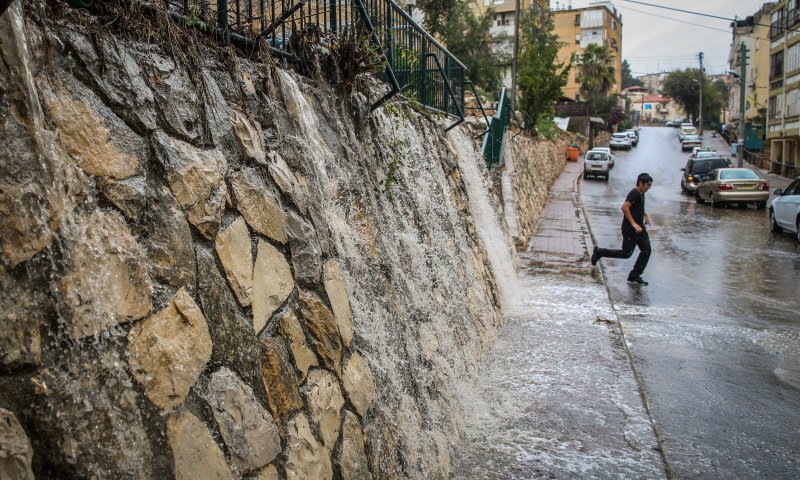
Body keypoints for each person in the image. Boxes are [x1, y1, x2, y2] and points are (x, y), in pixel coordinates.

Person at [591, 173, 653, 285]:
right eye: (648, 185)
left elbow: (638, 207)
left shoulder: (641, 193)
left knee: (647, 250)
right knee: (626, 253)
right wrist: (634, 224)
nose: (650, 187)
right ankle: (599, 252)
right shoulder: (634, 193)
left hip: (640, 229)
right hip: (631, 229)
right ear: (641, 183)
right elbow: (625, 207)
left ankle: (635, 275)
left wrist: (645, 214)